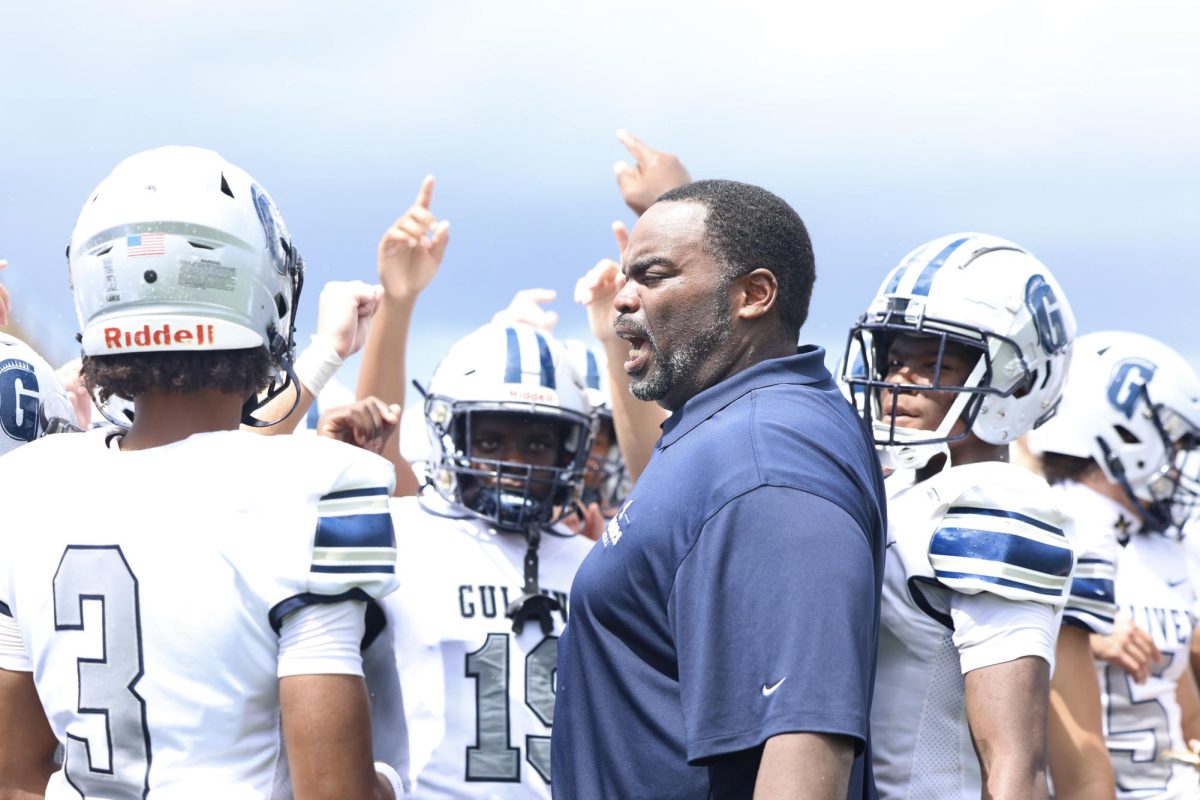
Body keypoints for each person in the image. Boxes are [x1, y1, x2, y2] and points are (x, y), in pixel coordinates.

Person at [0, 146, 401, 799]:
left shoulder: (25, 485)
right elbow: (333, 792)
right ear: (262, 292)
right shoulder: (329, 483)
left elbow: (15, 781)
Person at [553, 179, 887, 799]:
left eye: (652, 275)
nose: (622, 299)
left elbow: (806, 740)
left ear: (753, 295)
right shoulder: (730, 425)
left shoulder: (769, 458)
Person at [841, 232, 1078, 800]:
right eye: (896, 359)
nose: (899, 381)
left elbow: (1015, 762)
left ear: (1015, 381)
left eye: (934, 362)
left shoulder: (990, 501)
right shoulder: (897, 491)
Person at [367, 322, 595, 797]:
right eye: (490, 443)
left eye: (536, 444)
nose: (513, 466)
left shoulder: (593, 563)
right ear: (449, 433)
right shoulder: (394, 534)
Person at [1027, 331, 1200, 799]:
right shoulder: (1049, 522)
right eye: (1175, 444)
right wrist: (1073, 618)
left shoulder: (1162, 548)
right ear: (1127, 434)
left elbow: (1184, 711)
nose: (1180, 467)